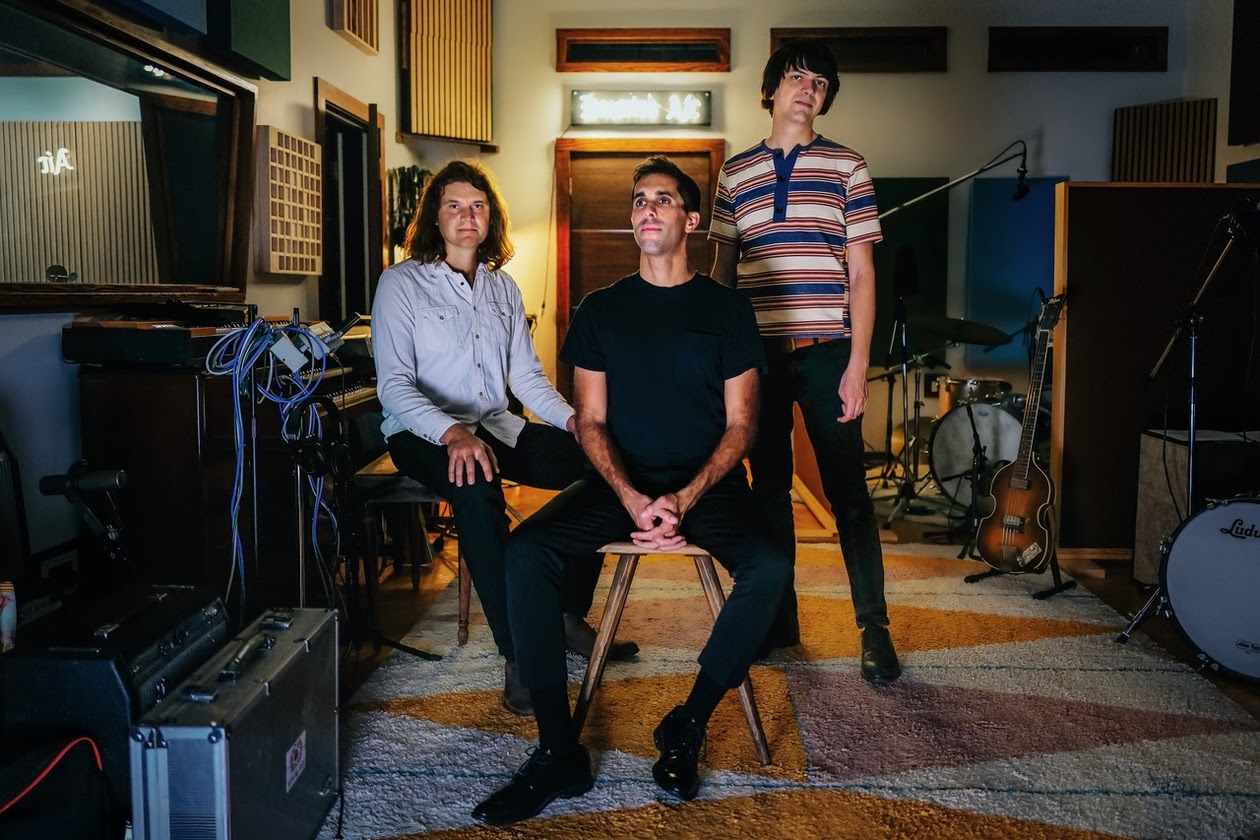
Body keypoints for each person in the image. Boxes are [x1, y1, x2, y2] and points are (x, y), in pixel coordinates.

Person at [471, 156, 791, 826]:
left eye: (665, 199)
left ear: (692, 219)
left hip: (708, 487)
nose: (649, 209)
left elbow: (742, 425)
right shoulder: (602, 310)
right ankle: (558, 752)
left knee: (772, 568)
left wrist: (686, 499)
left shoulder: (727, 311)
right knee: (526, 554)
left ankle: (689, 721)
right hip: (620, 481)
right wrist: (629, 496)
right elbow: (588, 419)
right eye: (640, 200)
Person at [372, 159, 636, 718]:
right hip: (423, 430)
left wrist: (576, 424)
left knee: (604, 467)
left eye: (478, 205)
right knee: (477, 485)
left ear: (491, 218)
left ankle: (563, 610)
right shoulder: (400, 283)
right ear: (435, 218)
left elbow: (527, 379)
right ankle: (518, 652)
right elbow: (394, 387)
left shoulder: (502, 288)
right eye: (454, 205)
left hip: (495, 425)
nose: (467, 216)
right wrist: (451, 434)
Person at [708, 38, 901, 683]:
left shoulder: (849, 168)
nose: (808, 90)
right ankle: (778, 622)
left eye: (820, 83)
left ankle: (874, 631)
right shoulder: (734, 175)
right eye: (797, 77)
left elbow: (863, 274)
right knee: (769, 497)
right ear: (771, 89)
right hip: (757, 360)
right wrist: (721, 361)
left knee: (849, 495)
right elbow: (721, 272)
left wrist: (858, 364)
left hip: (827, 355)